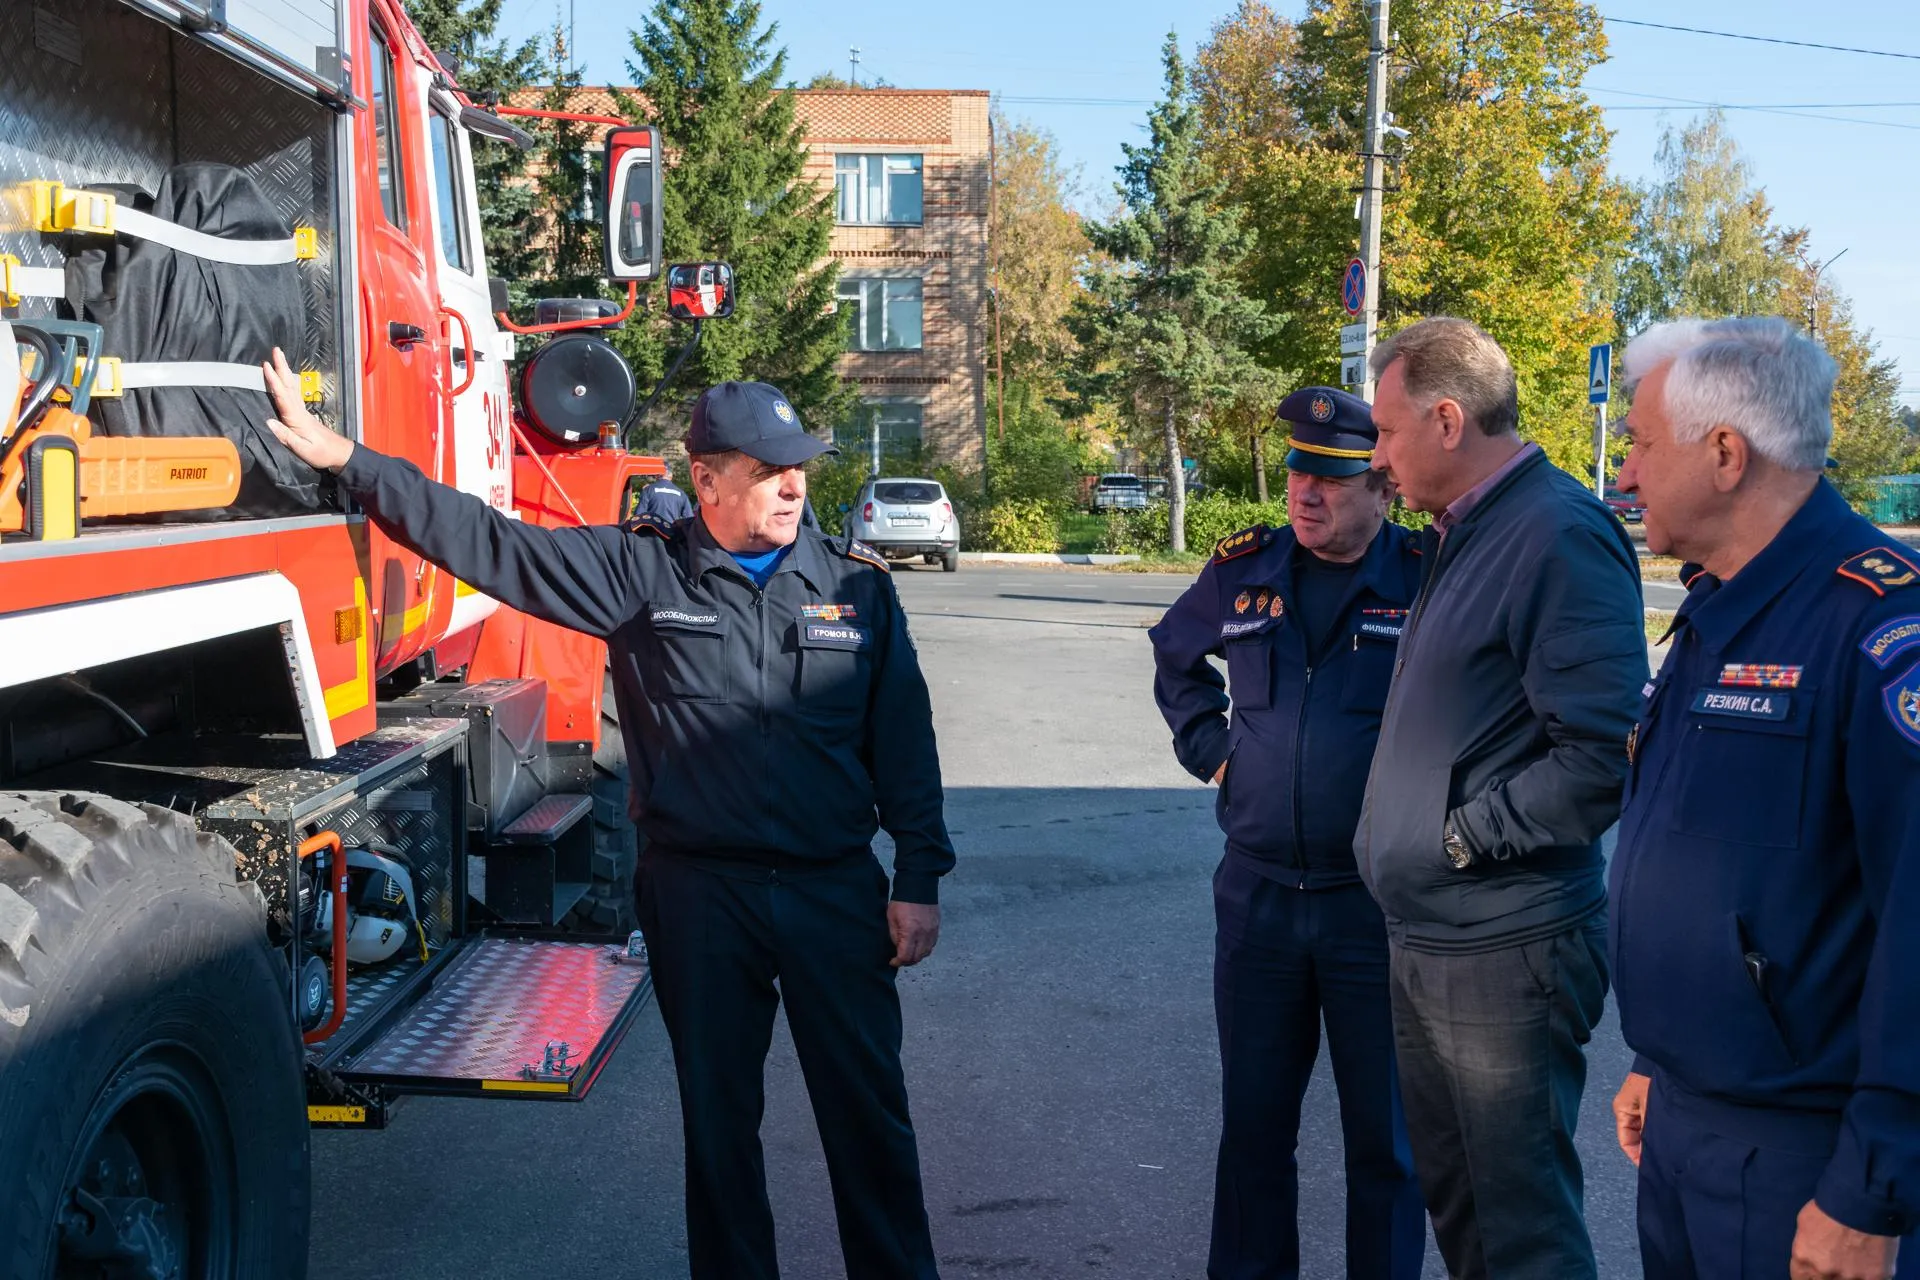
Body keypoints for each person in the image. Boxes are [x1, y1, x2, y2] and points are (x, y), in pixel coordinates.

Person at [262, 353, 953, 1280]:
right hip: (701, 897)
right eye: (767, 471)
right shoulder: (640, 572)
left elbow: (904, 741)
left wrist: (919, 878)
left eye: (799, 469)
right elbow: (492, 544)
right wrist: (352, 461)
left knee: (869, 1120)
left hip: (833, 892)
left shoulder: (858, 586)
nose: (793, 487)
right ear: (707, 480)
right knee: (720, 1130)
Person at [1605, 317, 1920, 1280]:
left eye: (1641, 445)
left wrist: (1874, 1184)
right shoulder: (1719, 605)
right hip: (1686, 1121)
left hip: (1807, 1159)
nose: (1625, 473)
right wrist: (1662, 1060)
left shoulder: (1880, 627)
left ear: (1725, 454)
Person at [1357, 317, 1647, 1278]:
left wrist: (1458, 839)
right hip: (1439, 935)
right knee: (1468, 1211)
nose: (1377, 457)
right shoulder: (1469, 529)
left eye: (1386, 432)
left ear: (1448, 421)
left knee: (1519, 1231)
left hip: (1502, 947)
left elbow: (1602, 755)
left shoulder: (1555, 534)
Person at [1150, 386, 1426, 1280]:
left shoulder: (1424, 576)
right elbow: (1176, 657)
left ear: (1384, 487)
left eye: (1333, 478)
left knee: (1388, 1145)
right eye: (1300, 471)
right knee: (1254, 1134)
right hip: (1259, 900)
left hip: (1374, 910)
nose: (1306, 491)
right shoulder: (1248, 568)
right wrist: (1215, 753)